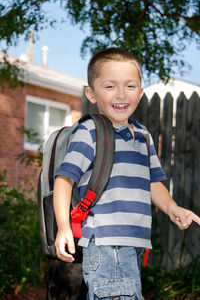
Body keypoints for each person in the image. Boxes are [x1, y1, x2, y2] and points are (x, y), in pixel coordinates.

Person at [53, 47, 200, 300]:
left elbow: (153, 182)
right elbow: (65, 179)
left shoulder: (143, 136)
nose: (121, 94)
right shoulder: (90, 131)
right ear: (92, 93)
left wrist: (173, 208)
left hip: (133, 243)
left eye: (130, 86)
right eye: (110, 86)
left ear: (140, 92)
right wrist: (64, 227)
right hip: (106, 242)